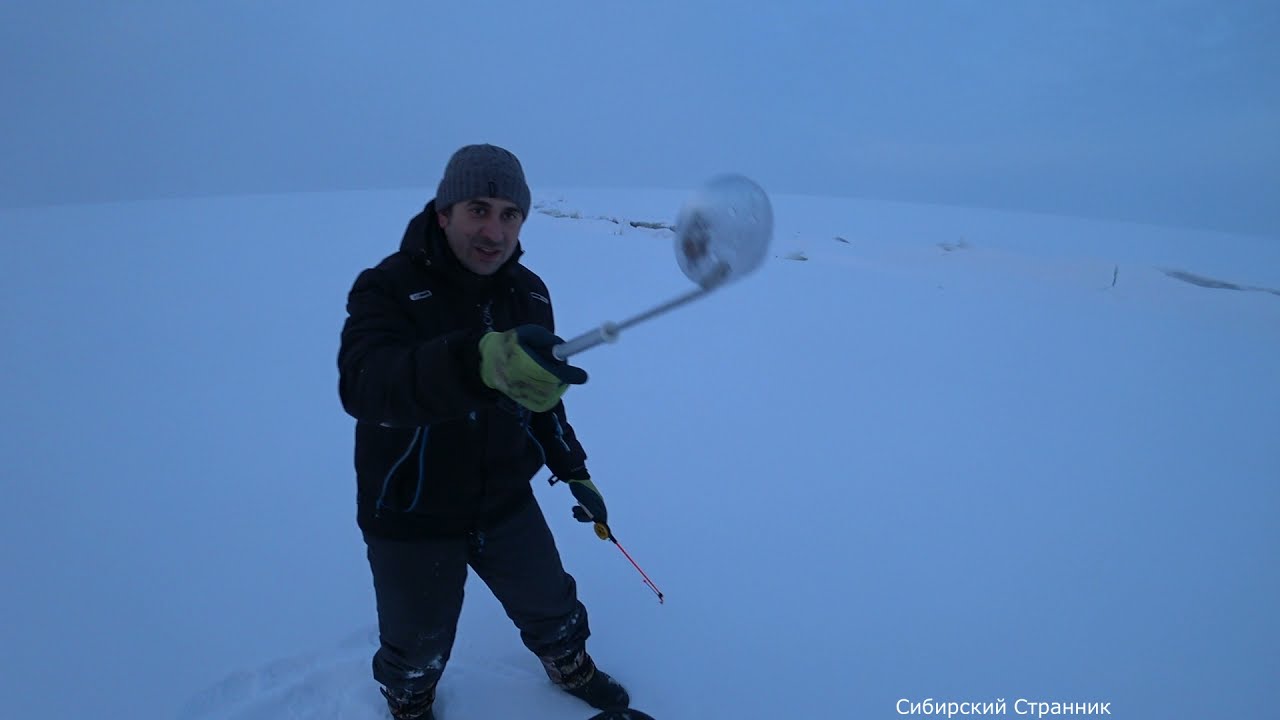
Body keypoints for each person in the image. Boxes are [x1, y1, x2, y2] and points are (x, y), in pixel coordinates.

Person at [337, 144, 629, 720]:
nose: (495, 230)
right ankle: (410, 698)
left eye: (510, 213)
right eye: (478, 208)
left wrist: (574, 469)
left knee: (552, 602)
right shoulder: (386, 288)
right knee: (416, 641)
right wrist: (477, 361)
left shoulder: (530, 292)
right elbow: (368, 385)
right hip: (410, 509)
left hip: (502, 500)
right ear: (444, 213)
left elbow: (540, 399)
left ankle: (568, 662)